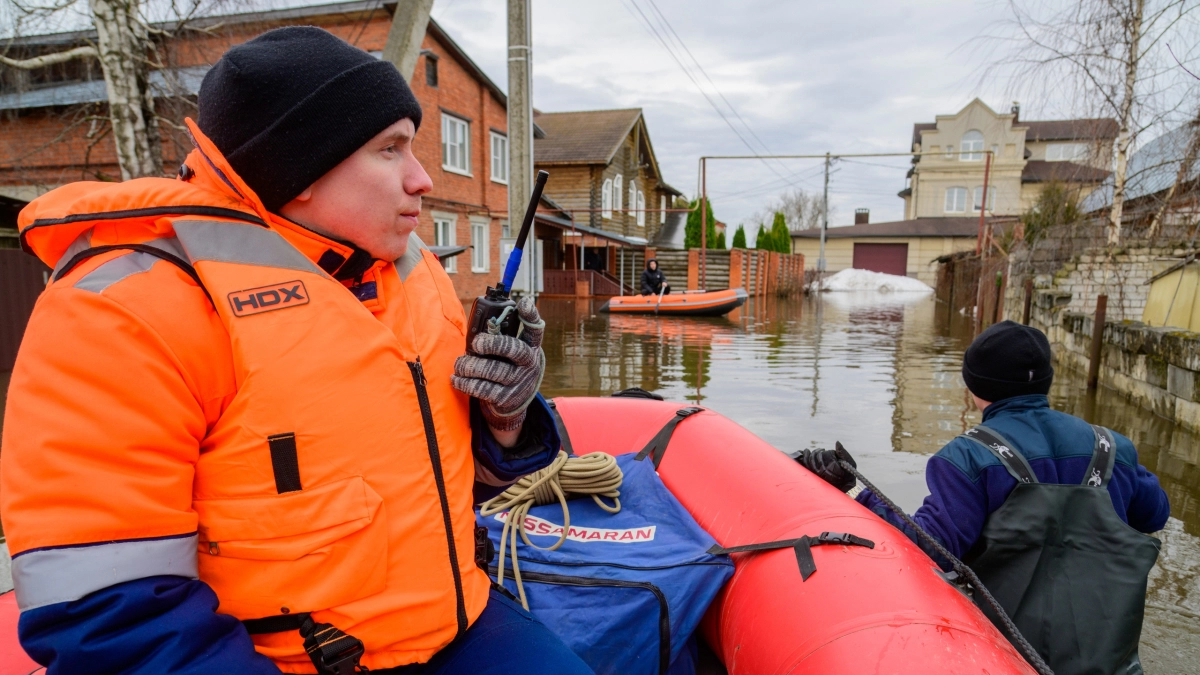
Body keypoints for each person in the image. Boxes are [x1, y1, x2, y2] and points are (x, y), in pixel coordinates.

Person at [0, 27, 593, 675]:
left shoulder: (412, 267)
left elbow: (447, 474)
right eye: (390, 149)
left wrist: (506, 422)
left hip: (457, 619)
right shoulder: (124, 308)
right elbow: (110, 612)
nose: (423, 179)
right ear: (302, 167)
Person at [798, 320, 1170, 675]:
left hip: (1004, 656)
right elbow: (1154, 516)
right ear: (1046, 380)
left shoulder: (967, 457)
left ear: (974, 387)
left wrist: (854, 490)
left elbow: (928, 547)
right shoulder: (1113, 447)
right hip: (1106, 657)